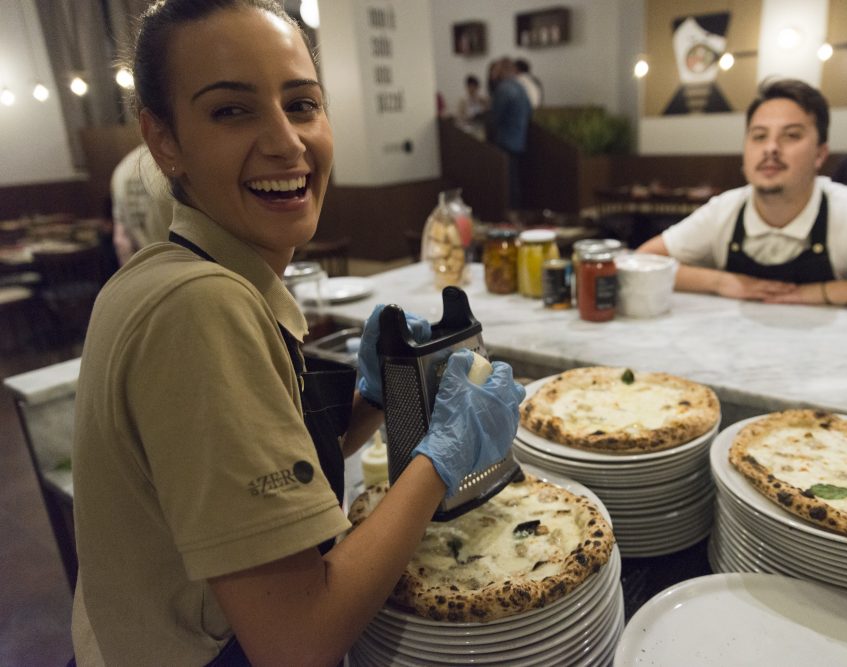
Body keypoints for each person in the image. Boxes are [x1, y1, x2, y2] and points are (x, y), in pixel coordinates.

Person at [70, 2, 524, 665]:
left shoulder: (181, 273)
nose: (286, 141)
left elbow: (243, 498)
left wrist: (372, 400)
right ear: (163, 139)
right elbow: (298, 638)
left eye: (302, 104)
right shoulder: (200, 307)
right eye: (232, 110)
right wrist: (443, 457)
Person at [637, 78, 847, 318]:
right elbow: (640, 263)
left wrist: (823, 292)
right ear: (745, 150)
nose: (770, 148)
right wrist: (723, 282)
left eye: (791, 135)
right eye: (759, 136)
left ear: (821, 154)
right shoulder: (725, 210)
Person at [110, 143, 174, 265]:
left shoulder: (123, 169)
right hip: (195, 272)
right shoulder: (175, 162)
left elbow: (121, 241)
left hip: (148, 272)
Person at [485, 58, 532, 210]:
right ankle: (517, 213)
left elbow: (495, 117)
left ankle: (509, 215)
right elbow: (529, 111)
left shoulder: (503, 89)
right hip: (520, 139)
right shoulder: (520, 88)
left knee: (506, 184)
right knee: (515, 183)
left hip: (505, 140)